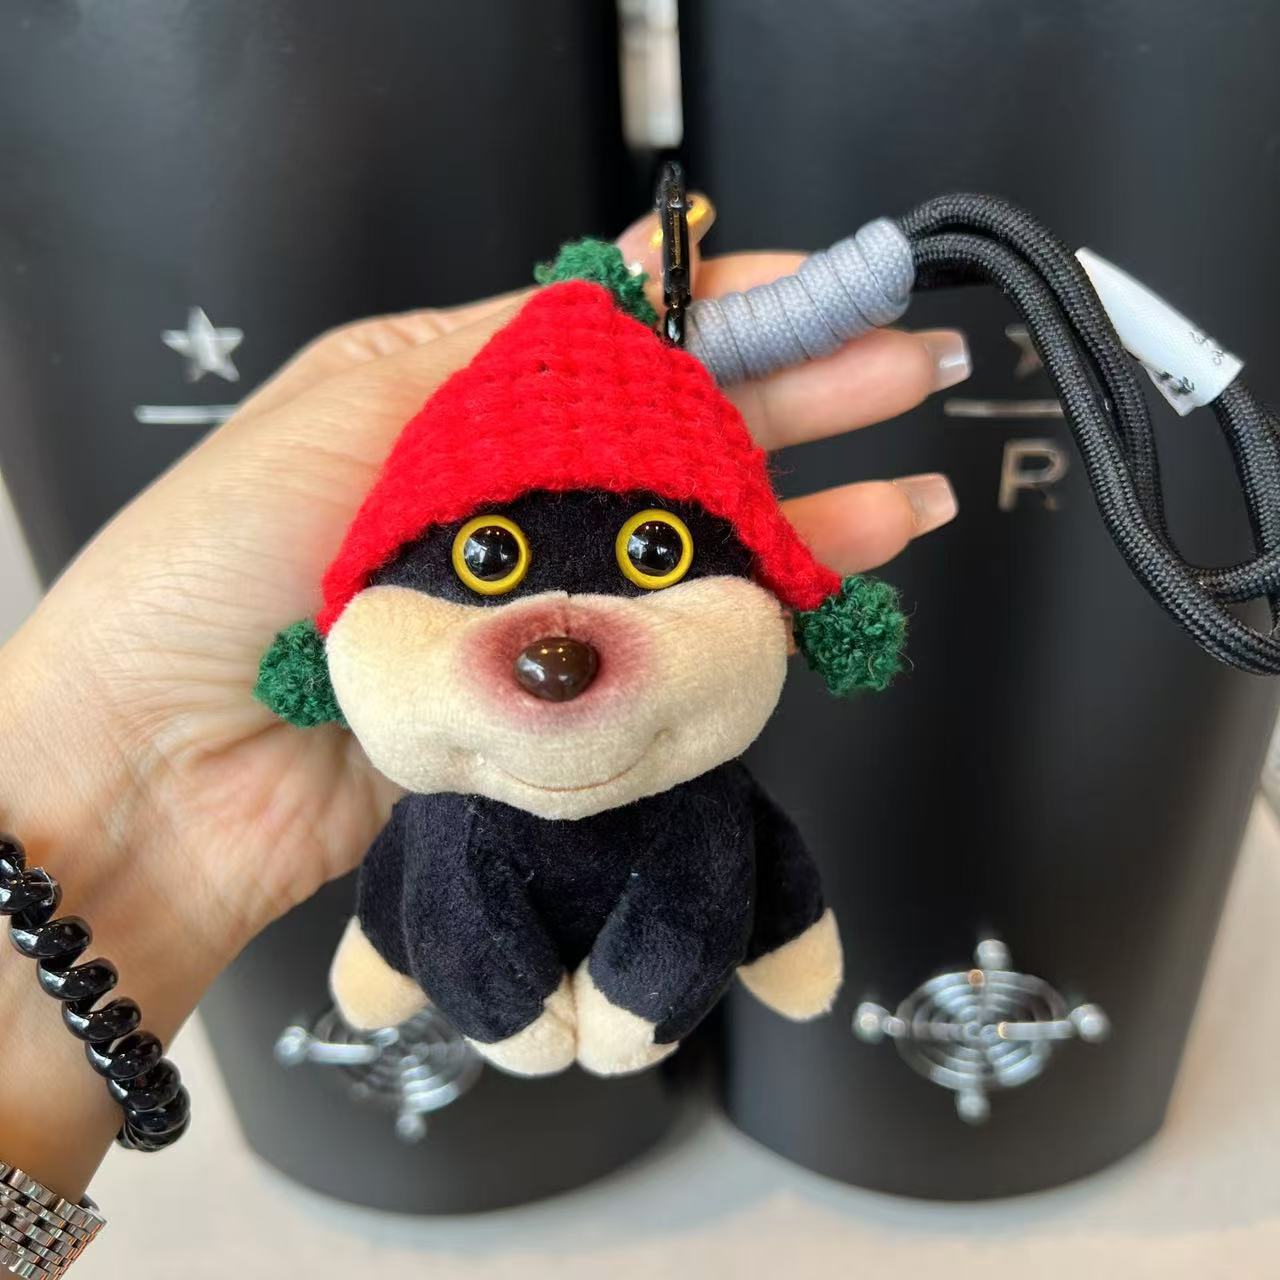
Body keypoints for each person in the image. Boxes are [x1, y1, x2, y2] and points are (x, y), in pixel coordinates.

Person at [0, 204, 967, 1205]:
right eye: (486, 556)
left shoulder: (700, 802)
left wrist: (777, 931)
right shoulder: (442, 814)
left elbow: (751, 873)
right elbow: (427, 900)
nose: (557, 651)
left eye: (654, 552)